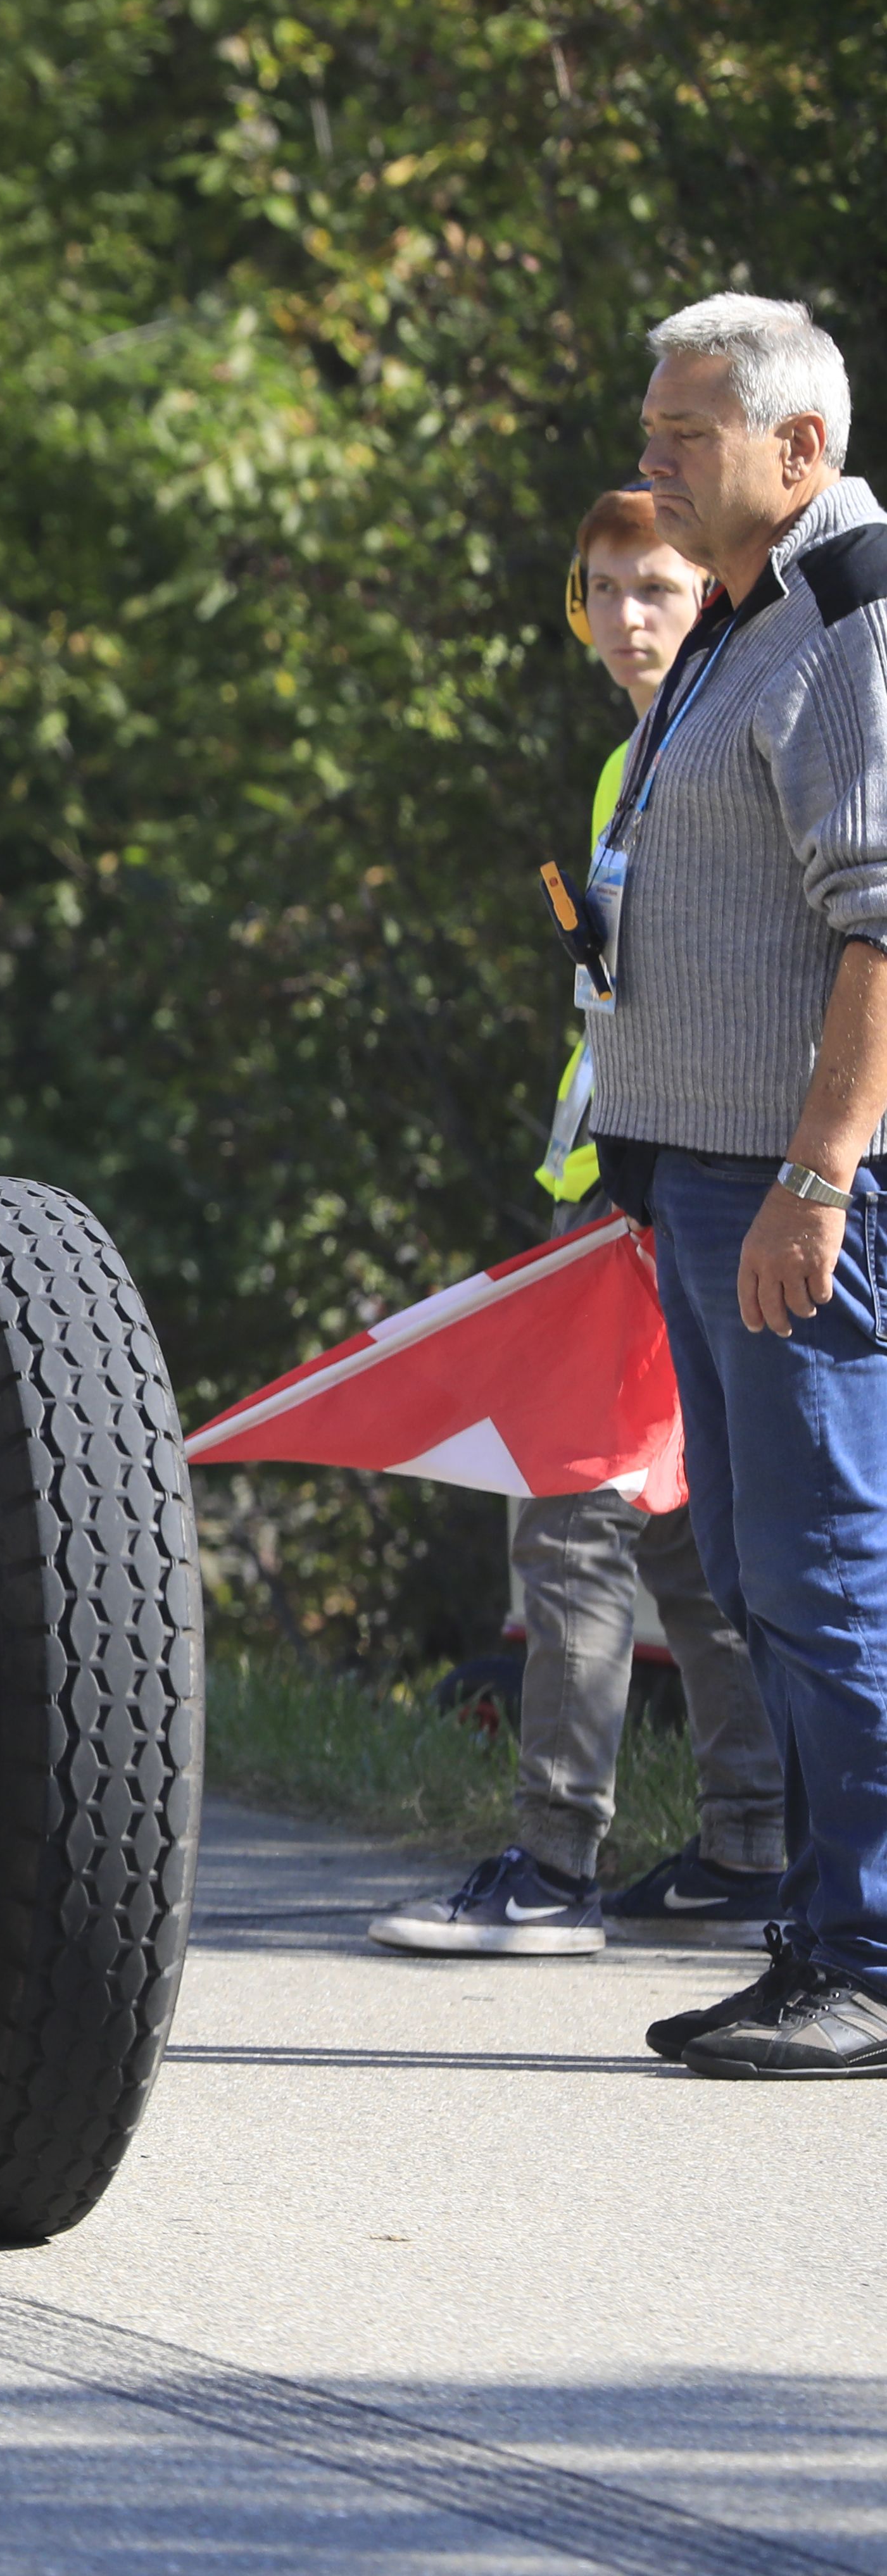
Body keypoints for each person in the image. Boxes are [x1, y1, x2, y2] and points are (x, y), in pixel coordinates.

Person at [371, 485, 789, 1956]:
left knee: (573, 1524)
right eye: (603, 590)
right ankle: (748, 1847)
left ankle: (554, 1869)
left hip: (683, 1204)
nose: (626, 619)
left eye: (658, 590)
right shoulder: (633, 765)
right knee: (678, 1540)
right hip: (617, 1211)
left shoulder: (733, 750)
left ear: (715, 600)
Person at [591, 294, 887, 2079]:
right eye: (652, 429)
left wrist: (822, 1172)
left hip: (797, 1192)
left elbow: (883, 922)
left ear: (801, 449)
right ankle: (821, 1939)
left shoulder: (850, 625)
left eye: (686, 436)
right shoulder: (751, 614)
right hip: (707, 1185)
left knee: (827, 1566)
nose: (653, 464)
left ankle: (869, 1951)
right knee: (771, 1572)